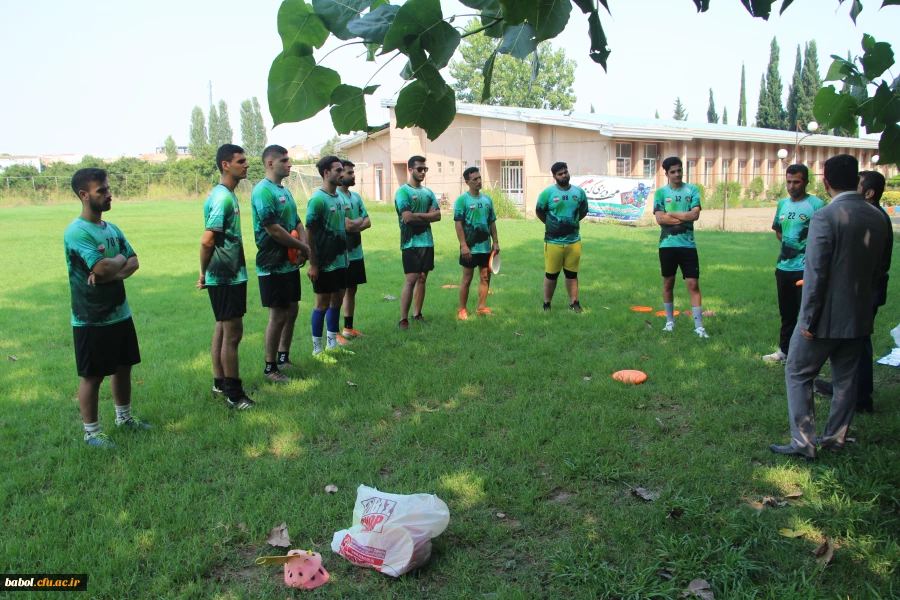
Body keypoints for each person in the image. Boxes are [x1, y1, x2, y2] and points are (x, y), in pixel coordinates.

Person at [770, 154, 891, 460]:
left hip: (824, 317)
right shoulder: (878, 216)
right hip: (860, 313)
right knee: (846, 380)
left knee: (797, 372)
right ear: (858, 181)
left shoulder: (825, 216)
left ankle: (804, 442)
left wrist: (807, 320)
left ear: (824, 182)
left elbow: (816, 272)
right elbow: (880, 269)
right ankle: (836, 439)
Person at [65, 168, 149, 448]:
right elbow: (99, 266)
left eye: (108, 188)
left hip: (120, 313)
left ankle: (124, 418)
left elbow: (133, 261)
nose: (109, 194)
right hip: (91, 317)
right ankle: (91, 433)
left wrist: (112, 270)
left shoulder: (111, 229)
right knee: (92, 375)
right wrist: (116, 263)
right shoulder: (77, 231)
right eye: (101, 190)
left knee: (123, 367)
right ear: (84, 195)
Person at [813, 170, 893, 412]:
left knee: (858, 343)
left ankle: (860, 397)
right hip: (863, 290)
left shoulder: (875, 217)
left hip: (866, 290)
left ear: (869, 193)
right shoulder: (868, 215)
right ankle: (847, 390)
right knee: (852, 342)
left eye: (855, 186)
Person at [199, 144, 254, 410]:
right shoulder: (222, 198)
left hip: (226, 275)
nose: (246, 165)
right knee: (233, 334)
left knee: (222, 328)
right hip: (225, 277)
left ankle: (220, 383)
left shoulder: (226, 195)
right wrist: (203, 271)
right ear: (225, 165)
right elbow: (208, 240)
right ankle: (235, 395)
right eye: (240, 161)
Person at [250, 144, 311, 383]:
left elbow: (297, 222)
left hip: (289, 264)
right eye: (285, 160)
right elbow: (273, 229)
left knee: (292, 310)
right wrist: (302, 248)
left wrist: (302, 247)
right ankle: (270, 367)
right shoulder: (262, 191)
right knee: (277, 315)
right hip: (271, 264)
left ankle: (284, 357)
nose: (289, 164)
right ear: (270, 163)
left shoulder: (285, 191)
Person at [763, 164, 825, 362]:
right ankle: (784, 351)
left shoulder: (817, 205)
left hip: (806, 270)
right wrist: (791, 247)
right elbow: (779, 230)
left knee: (807, 315)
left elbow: (823, 237)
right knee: (787, 313)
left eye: (796, 181)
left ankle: (809, 355)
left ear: (806, 182)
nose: (791, 186)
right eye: (788, 181)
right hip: (784, 268)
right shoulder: (783, 204)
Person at [653, 157, 708, 338]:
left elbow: (695, 215)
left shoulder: (692, 190)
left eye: (679, 170)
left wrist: (673, 214)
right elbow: (660, 219)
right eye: (673, 171)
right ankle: (670, 321)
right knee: (668, 283)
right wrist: (685, 217)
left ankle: (699, 326)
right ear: (666, 173)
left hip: (688, 245)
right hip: (667, 245)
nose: (677, 174)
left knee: (693, 284)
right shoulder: (661, 193)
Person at [306, 155, 352, 357]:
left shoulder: (340, 198)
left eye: (342, 170)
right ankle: (317, 350)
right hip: (324, 264)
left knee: (338, 301)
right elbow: (310, 232)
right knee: (322, 303)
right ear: (326, 173)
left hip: (341, 261)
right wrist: (313, 264)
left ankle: (332, 345)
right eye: (338, 170)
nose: (341, 173)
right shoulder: (317, 199)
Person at [395, 155, 441, 329]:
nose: (423, 172)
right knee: (411, 278)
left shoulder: (428, 193)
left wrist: (418, 216)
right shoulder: (403, 192)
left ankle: (417, 313)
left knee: (423, 278)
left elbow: (438, 215)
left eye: (425, 169)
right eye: (419, 169)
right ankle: (403, 319)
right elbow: (406, 217)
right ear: (410, 170)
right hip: (410, 242)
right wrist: (427, 217)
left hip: (427, 242)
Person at [535, 162, 588, 312]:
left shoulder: (578, 193)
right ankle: (547, 304)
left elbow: (583, 211)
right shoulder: (548, 193)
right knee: (551, 275)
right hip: (553, 242)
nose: (564, 175)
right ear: (554, 176)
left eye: (565, 172)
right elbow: (539, 211)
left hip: (573, 241)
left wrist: (572, 223)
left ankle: (574, 303)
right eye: (560, 174)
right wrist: (551, 224)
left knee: (572, 274)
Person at [454, 166, 499, 319]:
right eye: (475, 179)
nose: (479, 181)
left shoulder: (487, 200)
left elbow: (492, 222)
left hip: (485, 247)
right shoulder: (462, 200)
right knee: (467, 278)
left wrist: (496, 243)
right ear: (467, 182)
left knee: (485, 277)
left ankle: (481, 307)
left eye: (479, 178)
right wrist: (464, 245)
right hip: (469, 248)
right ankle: (462, 310)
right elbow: (458, 224)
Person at [338, 159, 371, 339]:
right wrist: (358, 222)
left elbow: (368, 221)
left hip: (356, 252)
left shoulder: (355, 197)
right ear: (340, 174)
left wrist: (356, 223)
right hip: (342, 255)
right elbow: (347, 225)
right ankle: (334, 334)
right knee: (340, 292)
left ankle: (348, 329)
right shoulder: (334, 197)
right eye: (350, 172)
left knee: (352, 290)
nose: (353, 175)